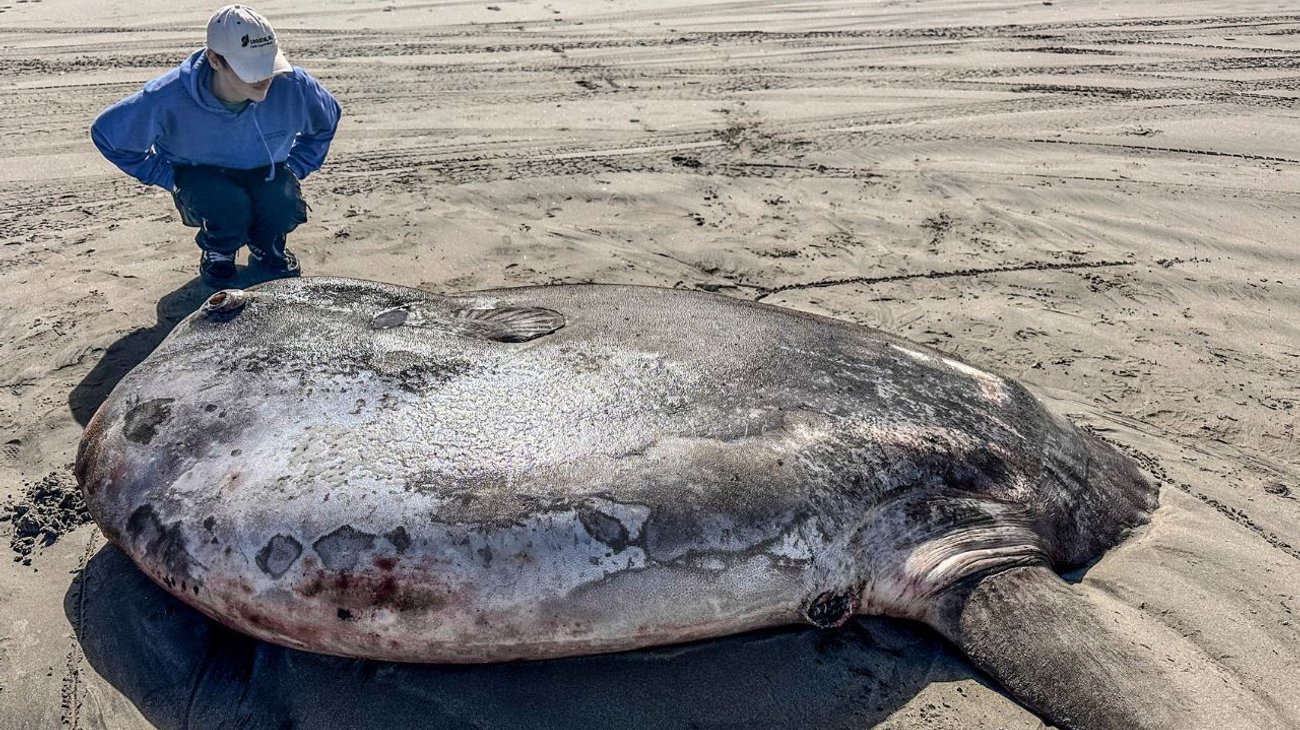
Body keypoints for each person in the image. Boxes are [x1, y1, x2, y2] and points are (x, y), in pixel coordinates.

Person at [91, 5, 341, 288]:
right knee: (226, 205)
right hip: (202, 179)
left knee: (282, 200)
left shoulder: (294, 86)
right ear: (214, 59)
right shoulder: (167, 97)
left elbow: (327, 120)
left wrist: (296, 167)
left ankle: (267, 244)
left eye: (268, 64)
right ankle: (219, 252)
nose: (264, 78)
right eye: (250, 68)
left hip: (267, 172)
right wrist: (168, 178)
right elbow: (108, 135)